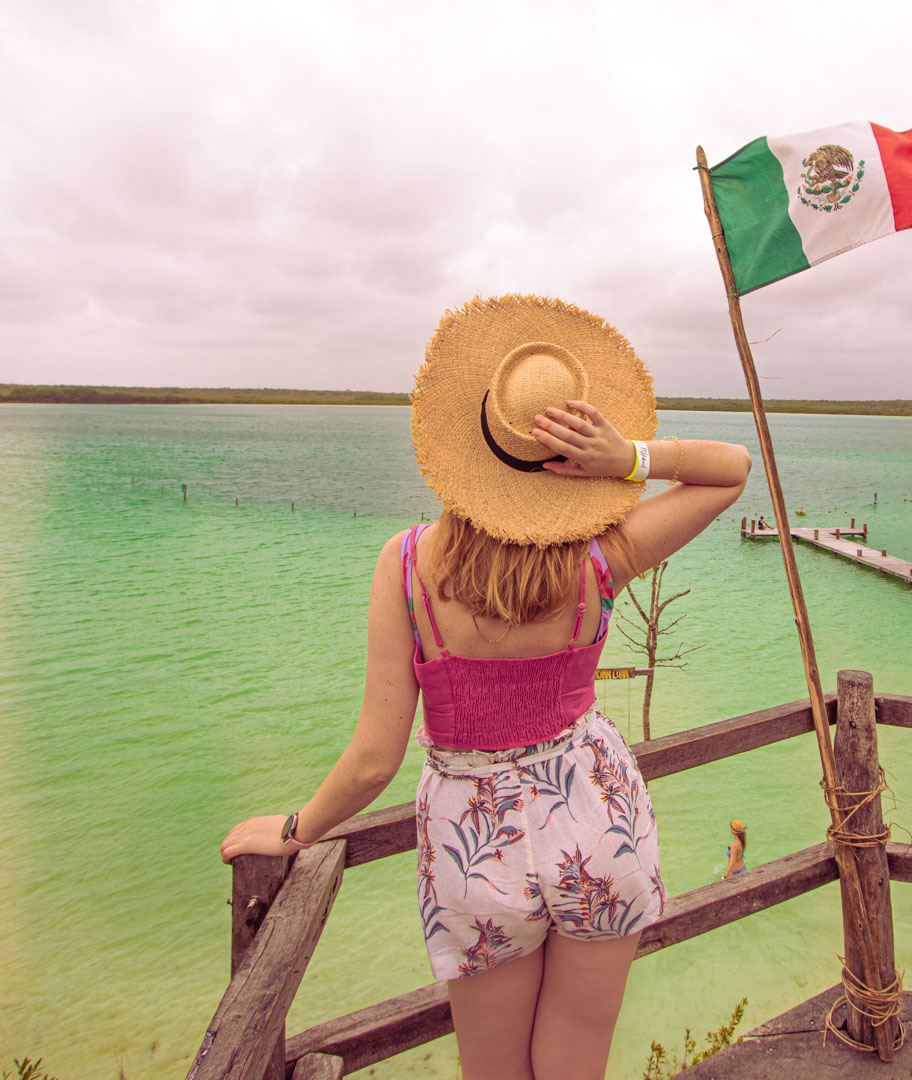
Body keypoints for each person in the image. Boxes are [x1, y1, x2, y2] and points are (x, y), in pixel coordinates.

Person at [220, 295, 751, 1080]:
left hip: (477, 843)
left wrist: (297, 829)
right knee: (576, 1066)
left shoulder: (407, 567)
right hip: (597, 817)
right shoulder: (601, 560)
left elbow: (374, 760)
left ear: (464, 446)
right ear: (571, 458)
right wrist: (631, 458)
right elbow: (731, 470)